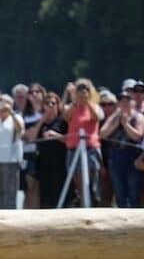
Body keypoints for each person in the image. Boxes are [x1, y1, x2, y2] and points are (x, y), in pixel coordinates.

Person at [62, 78, 103, 206]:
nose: (82, 92)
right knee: (78, 181)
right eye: (79, 89)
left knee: (90, 182)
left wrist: (88, 102)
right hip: (74, 148)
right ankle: (83, 204)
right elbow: (66, 117)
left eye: (85, 90)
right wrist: (75, 102)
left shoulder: (95, 107)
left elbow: (97, 117)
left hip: (90, 148)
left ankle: (92, 203)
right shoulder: (73, 107)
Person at [101, 90, 143, 208]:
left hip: (132, 162)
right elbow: (102, 134)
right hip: (116, 162)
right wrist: (114, 124)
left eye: (127, 100)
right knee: (120, 196)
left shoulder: (138, 117)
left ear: (132, 101)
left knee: (133, 195)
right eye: (121, 100)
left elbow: (137, 136)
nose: (124, 103)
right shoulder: (114, 117)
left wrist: (126, 124)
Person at [27, 92, 68, 209]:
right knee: (45, 194)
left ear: (57, 105)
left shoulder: (62, 122)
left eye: (53, 103)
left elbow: (70, 139)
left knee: (60, 192)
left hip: (60, 162)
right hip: (44, 163)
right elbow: (31, 138)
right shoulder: (41, 123)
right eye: (47, 103)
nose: (50, 106)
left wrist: (56, 136)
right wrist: (42, 120)